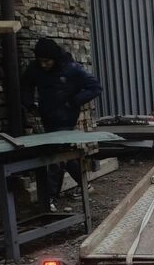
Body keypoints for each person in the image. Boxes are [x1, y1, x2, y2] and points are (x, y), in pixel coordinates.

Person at [21, 37, 102, 212]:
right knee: (65, 153)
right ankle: (85, 185)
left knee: (56, 155)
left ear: (55, 59)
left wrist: (74, 101)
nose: (43, 65)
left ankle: (50, 198)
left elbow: (95, 87)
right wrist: (30, 105)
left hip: (66, 117)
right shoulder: (35, 69)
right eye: (40, 61)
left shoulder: (71, 69)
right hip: (47, 116)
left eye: (47, 61)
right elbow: (26, 84)